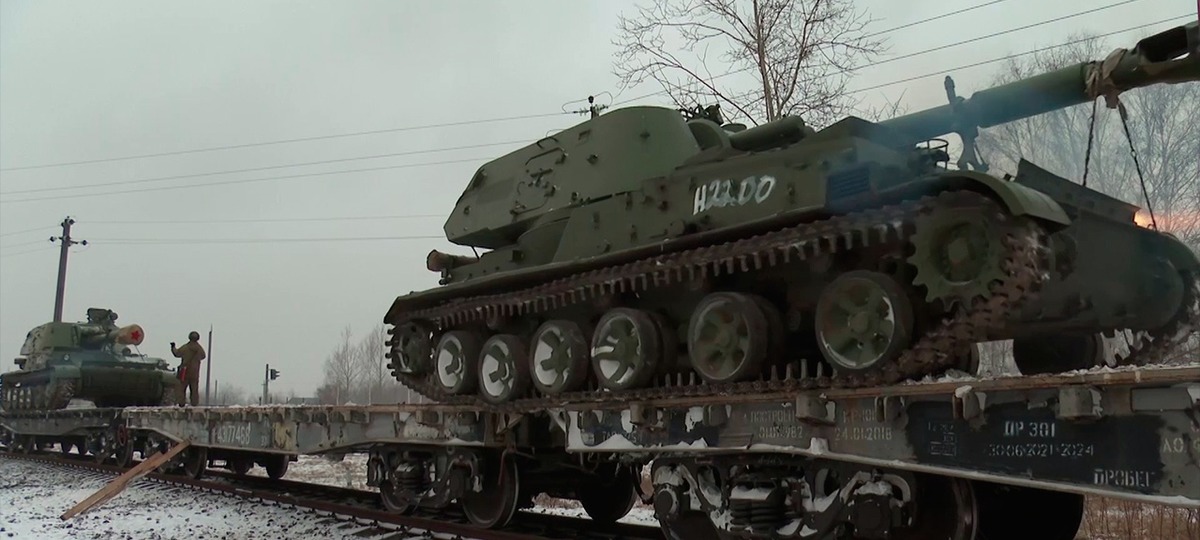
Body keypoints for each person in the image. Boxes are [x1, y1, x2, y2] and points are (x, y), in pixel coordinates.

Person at [171, 331, 206, 406]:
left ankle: (181, 403)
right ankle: (194, 403)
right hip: (195, 372)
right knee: (194, 389)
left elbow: (177, 353)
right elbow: (203, 356)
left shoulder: (185, 347)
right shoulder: (199, 348)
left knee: (181, 388)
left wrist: (173, 347)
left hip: (185, 371)